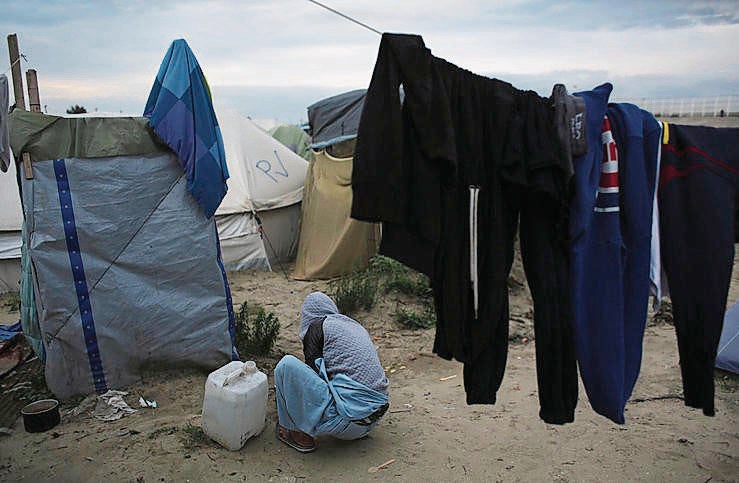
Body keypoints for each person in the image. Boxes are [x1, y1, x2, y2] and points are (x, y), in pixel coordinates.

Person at [274, 291, 389, 453]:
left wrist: (287, 398)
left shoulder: (316, 327)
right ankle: (353, 415)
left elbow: (312, 378)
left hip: (347, 422)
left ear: (307, 314)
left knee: (286, 365)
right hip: (372, 420)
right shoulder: (354, 326)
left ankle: (296, 433)